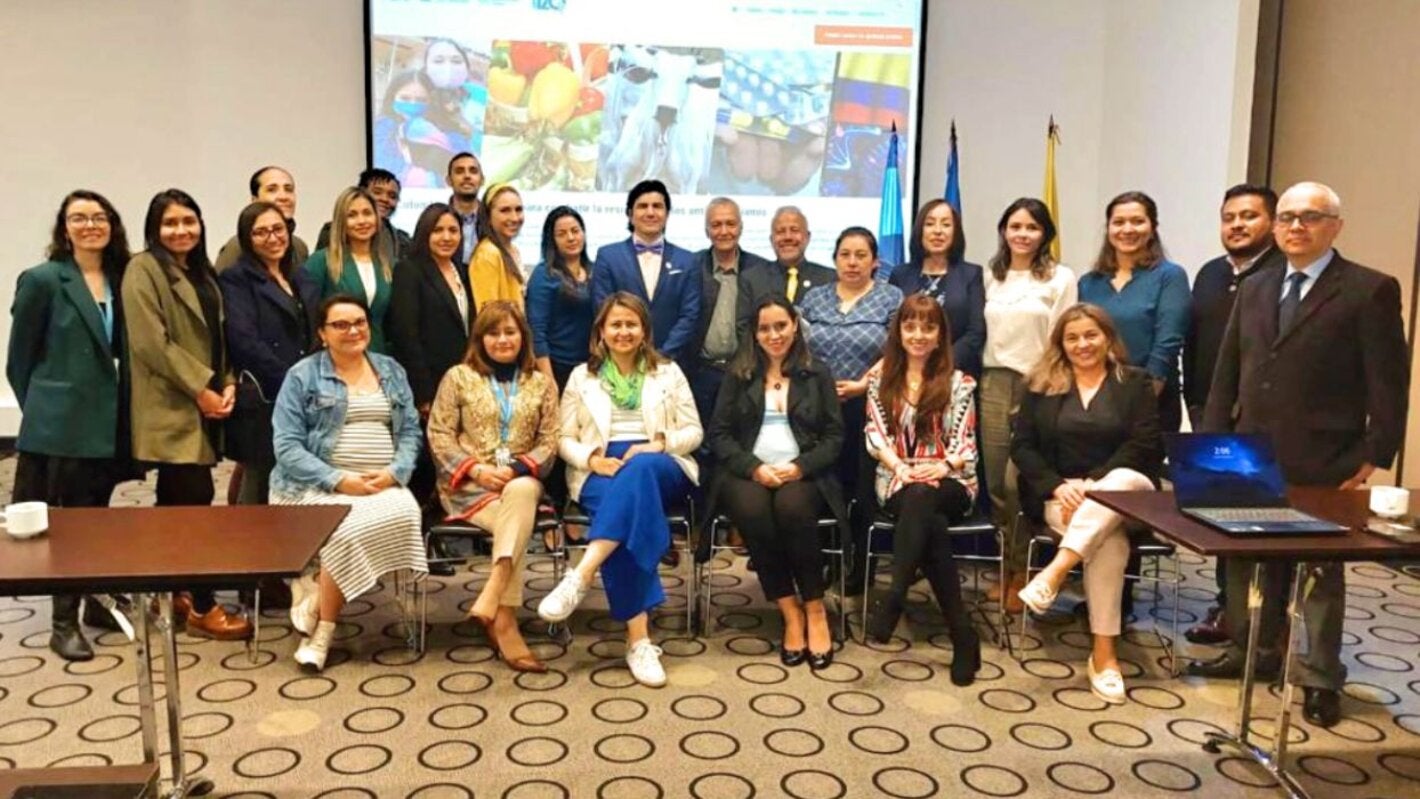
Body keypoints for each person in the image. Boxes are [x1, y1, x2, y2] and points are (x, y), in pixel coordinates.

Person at [1187, 182, 1409, 729]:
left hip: (1326, 456)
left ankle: (1320, 676)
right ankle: (1251, 652)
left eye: (1309, 217)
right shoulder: (1256, 286)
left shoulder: (1368, 290)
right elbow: (1227, 371)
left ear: (1336, 225)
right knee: (1244, 561)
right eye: (1287, 217)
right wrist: (1213, 440)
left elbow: (1388, 382)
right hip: (1249, 452)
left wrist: (1375, 452)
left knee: (1319, 574)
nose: (1295, 227)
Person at [537, 292, 702, 687]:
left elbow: (694, 431)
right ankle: (639, 641)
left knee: (639, 471)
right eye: (616, 324)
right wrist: (592, 459)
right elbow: (563, 437)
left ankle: (582, 572)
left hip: (661, 464)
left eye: (631, 324)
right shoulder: (582, 377)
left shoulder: (668, 372)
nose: (623, 331)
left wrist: (658, 444)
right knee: (626, 521)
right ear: (601, 331)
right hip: (600, 468)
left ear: (644, 330)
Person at [1012, 304, 1163, 704]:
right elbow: (1022, 447)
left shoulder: (1135, 382)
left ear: (1108, 337)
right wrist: (1058, 486)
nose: (1083, 344)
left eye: (1091, 335)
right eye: (1073, 337)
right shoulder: (1041, 385)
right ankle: (1104, 656)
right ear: (1061, 344)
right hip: (1062, 498)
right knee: (1110, 543)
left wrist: (1094, 484)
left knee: (1121, 482)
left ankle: (1055, 572)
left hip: (1127, 493)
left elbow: (1145, 444)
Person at [271, 295, 429, 671]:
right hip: (312, 487)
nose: (353, 331)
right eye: (340, 325)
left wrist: (395, 472)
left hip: (384, 486)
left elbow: (411, 432)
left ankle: (316, 594)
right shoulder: (302, 376)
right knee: (342, 530)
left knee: (402, 515)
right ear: (322, 333)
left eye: (359, 322)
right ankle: (323, 633)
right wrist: (339, 480)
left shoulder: (390, 370)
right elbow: (286, 447)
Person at [8, 190, 133, 661]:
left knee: (96, 517)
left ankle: (94, 603)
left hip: (108, 421)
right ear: (64, 228)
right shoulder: (43, 280)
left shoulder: (122, 277)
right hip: (61, 428)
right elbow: (19, 361)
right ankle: (63, 624)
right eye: (79, 218)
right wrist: (45, 413)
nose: (90, 225)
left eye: (99, 217)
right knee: (67, 525)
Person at [123, 189, 250, 640]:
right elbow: (150, 343)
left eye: (188, 221)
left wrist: (228, 381)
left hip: (206, 399)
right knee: (194, 505)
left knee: (175, 504)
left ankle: (173, 590)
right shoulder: (143, 269)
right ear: (154, 229)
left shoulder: (201, 271)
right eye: (170, 223)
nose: (181, 230)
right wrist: (201, 389)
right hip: (173, 405)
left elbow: (219, 336)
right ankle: (202, 605)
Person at [706, 297, 845, 669]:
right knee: (752, 511)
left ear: (795, 325)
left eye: (780, 326)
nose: (774, 335)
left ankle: (815, 609)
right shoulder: (739, 374)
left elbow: (834, 437)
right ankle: (790, 612)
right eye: (765, 328)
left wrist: (800, 467)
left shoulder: (817, 373)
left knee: (792, 507)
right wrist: (754, 468)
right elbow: (719, 435)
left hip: (803, 473)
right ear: (755, 333)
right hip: (747, 472)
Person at [426, 301, 559, 673]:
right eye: (493, 333)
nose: (503, 340)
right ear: (480, 338)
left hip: (521, 481)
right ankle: (504, 619)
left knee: (521, 490)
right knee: (513, 523)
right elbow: (439, 434)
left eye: (510, 332)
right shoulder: (458, 377)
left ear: (523, 337)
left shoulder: (540, 382)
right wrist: (478, 470)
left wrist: (516, 469)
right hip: (469, 486)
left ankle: (495, 593)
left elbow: (550, 440)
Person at [1180, 184, 1284, 646]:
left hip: (1263, 422)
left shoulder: (1283, 275)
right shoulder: (1210, 274)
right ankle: (1231, 610)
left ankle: (1268, 627)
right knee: (1223, 517)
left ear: (1272, 222)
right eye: (1229, 217)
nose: (1237, 225)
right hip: (1212, 412)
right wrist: (1195, 404)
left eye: (1249, 216)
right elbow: (1194, 344)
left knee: (1263, 525)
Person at [863, 295, 981, 685]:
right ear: (898, 331)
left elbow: (966, 444)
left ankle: (896, 592)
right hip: (896, 477)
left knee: (925, 497)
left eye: (928, 328)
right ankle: (962, 634)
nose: (918, 335)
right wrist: (903, 468)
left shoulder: (960, 383)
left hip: (952, 479)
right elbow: (876, 436)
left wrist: (942, 466)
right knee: (928, 519)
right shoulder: (881, 380)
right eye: (910, 326)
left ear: (940, 334)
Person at [979, 198, 1077, 612]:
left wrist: (1047, 385)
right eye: (1015, 226)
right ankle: (1007, 567)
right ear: (1004, 230)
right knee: (994, 486)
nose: (1022, 234)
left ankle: (1027, 570)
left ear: (1045, 234)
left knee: (1017, 482)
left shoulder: (1060, 277)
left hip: (1038, 385)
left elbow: (1064, 336)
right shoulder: (990, 275)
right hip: (992, 383)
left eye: (1032, 227)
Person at [799, 227, 903, 589]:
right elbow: (799, 345)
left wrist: (863, 384)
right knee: (824, 486)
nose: (853, 262)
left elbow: (899, 348)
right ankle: (826, 560)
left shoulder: (891, 297)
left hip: (869, 406)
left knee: (862, 488)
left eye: (861, 255)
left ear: (875, 261)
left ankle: (861, 566)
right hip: (819, 406)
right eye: (845, 254)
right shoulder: (815, 297)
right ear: (835, 259)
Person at [218, 201, 320, 506]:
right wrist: (293, 383)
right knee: (260, 483)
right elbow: (244, 341)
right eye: (260, 232)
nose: (272, 237)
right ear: (247, 239)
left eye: (278, 229)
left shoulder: (300, 276)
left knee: (299, 482)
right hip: (267, 396)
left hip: (307, 394)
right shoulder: (236, 279)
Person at [1077, 191, 1191, 433]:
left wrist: (1143, 398)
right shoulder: (1089, 282)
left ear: (1153, 227)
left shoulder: (1170, 276)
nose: (1127, 229)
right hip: (1095, 398)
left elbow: (1168, 343)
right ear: (1108, 228)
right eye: (1118, 222)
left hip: (1151, 399)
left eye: (1137, 221)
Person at [591, 180, 702, 363]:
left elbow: (690, 315)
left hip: (671, 363)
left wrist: (663, 355)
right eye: (643, 206)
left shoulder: (687, 260)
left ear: (667, 214)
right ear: (630, 214)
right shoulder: (608, 256)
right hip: (620, 360)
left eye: (657, 206)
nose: (650, 212)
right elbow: (603, 310)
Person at [387, 203, 474, 416]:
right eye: (438, 230)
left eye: (453, 230)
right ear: (425, 232)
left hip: (464, 379)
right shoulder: (409, 270)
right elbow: (406, 335)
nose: (446, 237)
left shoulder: (463, 271)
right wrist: (424, 395)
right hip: (429, 384)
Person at [689, 197, 771, 423]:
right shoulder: (691, 266)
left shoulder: (762, 269)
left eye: (731, 224)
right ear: (706, 231)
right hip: (700, 374)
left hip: (747, 373)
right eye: (716, 225)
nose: (724, 231)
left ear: (741, 228)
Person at [884, 199, 987, 378]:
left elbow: (976, 331)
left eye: (946, 224)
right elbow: (892, 327)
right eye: (930, 224)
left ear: (956, 232)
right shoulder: (900, 274)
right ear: (920, 230)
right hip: (906, 372)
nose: (938, 231)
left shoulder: (971, 274)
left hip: (956, 372)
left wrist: (942, 364)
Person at [303, 187, 395, 354]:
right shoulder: (321, 261)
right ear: (341, 222)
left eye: (367, 213)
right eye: (352, 215)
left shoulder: (389, 265)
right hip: (335, 355)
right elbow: (308, 315)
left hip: (378, 355)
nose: (362, 221)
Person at [736, 206, 835, 337]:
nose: (787, 237)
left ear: (807, 237)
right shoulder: (752, 279)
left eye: (794, 230)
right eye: (780, 231)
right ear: (772, 240)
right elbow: (744, 330)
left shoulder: (829, 279)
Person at [526, 206, 595, 391]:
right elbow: (537, 331)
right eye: (561, 234)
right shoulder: (544, 274)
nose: (571, 238)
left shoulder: (596, 270)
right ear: (552, 240)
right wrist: (549, 381)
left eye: (575, 231)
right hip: (558, 368)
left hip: (592, 367)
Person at [214, 166, 310, 272]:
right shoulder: (238, 246)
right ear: (255, 200)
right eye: (272, 190)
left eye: (289, 189)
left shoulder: (299, 247)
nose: (283, 197)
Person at [317, 168, 414, 261]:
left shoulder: (403, 240)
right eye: (377, 192)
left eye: (392, 196)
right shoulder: (333, 231)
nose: (385, 199)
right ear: (361, 193)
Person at [373, 70, 446, 189]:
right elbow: (384, 169)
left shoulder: (440, 130)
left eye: (421, 100)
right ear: (392, 98)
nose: (412, 104)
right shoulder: (382, 127)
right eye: (405, 98)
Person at [469, 183, 526, 311]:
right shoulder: (487, 254)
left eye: (518, 209)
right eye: (505, 210)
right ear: (488, 216)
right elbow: (489, 314)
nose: (514, 218)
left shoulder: (514, 250)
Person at [447, 152, 484, 265]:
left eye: (473, 171)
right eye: (459, 171)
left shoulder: (492, 220)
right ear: (449, 180)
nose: (467, 176)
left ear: (482, 180)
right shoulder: (438, 220)